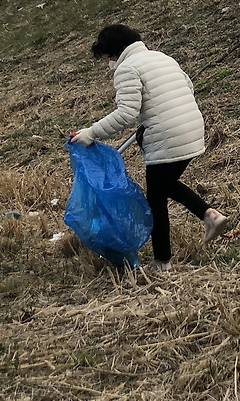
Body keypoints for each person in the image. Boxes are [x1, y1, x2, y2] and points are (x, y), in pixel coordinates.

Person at [71, 24, 229, 272]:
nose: (108, 63)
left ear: (113, 52)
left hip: (167, 135)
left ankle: (163, 261)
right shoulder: (162, 57)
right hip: (192, 128)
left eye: (106, 58)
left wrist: (91, 133)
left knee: (156, 197)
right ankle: (209, 215)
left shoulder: (126, 68)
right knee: (164, 186)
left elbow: (126, 113)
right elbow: (187, 88)